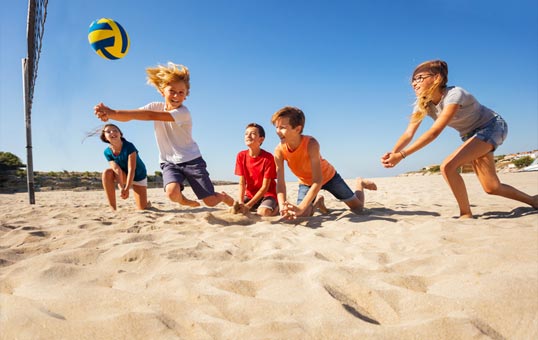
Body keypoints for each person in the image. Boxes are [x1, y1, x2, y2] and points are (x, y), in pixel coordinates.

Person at [381, 60, 538, 218]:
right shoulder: (422, 104)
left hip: (492, 126)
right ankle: (533, 201)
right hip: (471, 136)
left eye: (420, 78)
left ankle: (465, 214)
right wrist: (393, 154)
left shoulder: (455, 94)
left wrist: (402, 156)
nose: (415, 83)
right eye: (413, 80)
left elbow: (435, 131)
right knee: (492, 187)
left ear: (437, 78)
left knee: (448, 166)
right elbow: (408, 133)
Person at [94, 62, 234, 208]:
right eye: (172, 91)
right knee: (172, 193)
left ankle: (223, 197)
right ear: (162, 92)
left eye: (181, 92)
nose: (176, 96)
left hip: (192, 160)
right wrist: (110, 116)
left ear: (186, 95)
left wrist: (113, 112)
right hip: (169, 162)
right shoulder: (156, 106)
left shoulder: (183, 112)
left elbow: (149, 116)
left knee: (210, 202)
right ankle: (183, 200)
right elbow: (133, 116)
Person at [271, 106, 377, 220]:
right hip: (306, 182)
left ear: (297, 129)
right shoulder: (279, 150)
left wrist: (301, 207)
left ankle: (360, 183)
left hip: (328, 177)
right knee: (303, 215)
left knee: (358, 208)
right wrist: (282, 205)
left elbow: (318, 180)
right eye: (276, 127)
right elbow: (280, 183)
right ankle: (318, 203)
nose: (277, 131)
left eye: (282, 127)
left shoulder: (311, 144)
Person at [100, 123, 149, 210]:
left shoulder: (129, 146)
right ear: (104, 137)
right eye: (108, 131)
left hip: (138, 176)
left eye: (115, 130)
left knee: (142, 208)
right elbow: (117, 170)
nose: (112, 132)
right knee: (107, 173)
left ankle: (146, 203)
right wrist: (121, 188)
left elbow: (131, 169)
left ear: (120, 134)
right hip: (124, 176)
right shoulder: (107, 152)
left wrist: (127, 189)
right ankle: (113, 208)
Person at [234, 123, 279, 216]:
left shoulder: (268, 158)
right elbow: (242, 183)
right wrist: (242, 202)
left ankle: (277, 207)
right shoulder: (241, 155)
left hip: (268, 194)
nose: (248, 136)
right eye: (246, 134)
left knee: (263, 213)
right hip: (251, 195)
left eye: (253, 133)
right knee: (237, 210)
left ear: (261, 139)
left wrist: (248, 206)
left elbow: (265, 187)